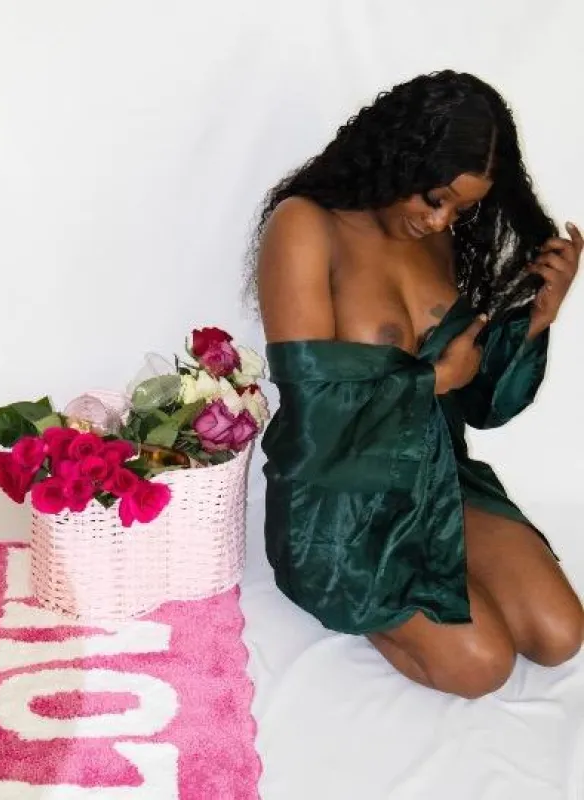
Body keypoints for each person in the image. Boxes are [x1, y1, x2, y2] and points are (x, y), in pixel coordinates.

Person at [249, 70, 583, 699]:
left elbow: (480, 406)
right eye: (435, 198)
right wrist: (430, 379)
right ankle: (364, 600)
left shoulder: (439, 240)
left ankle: (433, 590)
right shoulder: (306, 226)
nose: (440, 220)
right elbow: (312, 409)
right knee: (483, 667)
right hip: (340, 502)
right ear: (397, 158)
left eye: (461, 207)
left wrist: (539, 319)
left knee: (561, 634)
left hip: (437, 478)